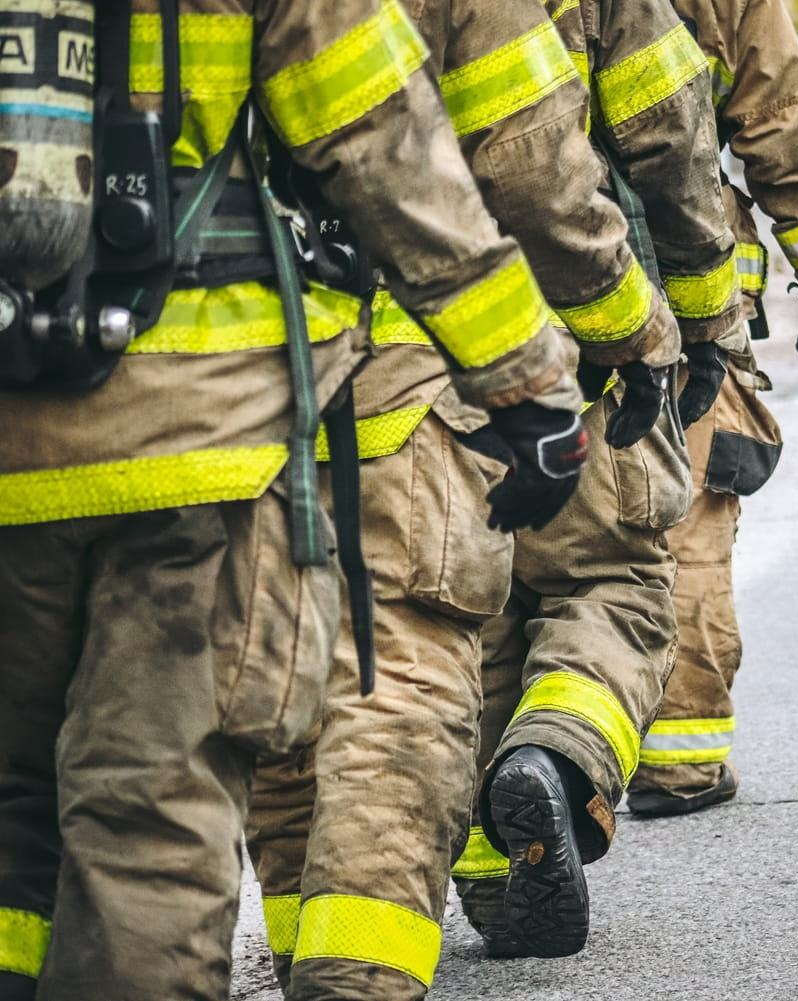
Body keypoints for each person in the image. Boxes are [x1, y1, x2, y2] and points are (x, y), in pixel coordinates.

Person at [0, 1, 581, 999]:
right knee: (149, 817)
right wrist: (523, 378)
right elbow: (382, 140)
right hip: (196, 449)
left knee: (13, 820)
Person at [243, 0, 719, 995]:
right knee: (580, 598)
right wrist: (667, 321)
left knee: (306, 657)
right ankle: (544, 767)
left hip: (236, 362)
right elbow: (624, 137)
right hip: (491, 335)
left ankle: (310, 930)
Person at [451, 0, 744, 961]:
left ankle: (496, 883)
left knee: (466, 620)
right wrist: (695, 321)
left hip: (404, 364)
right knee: (611, 585)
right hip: (576, 342)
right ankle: (554, 759)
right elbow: (669, 127)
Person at [627, 0, 798, 818]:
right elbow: (776, 118)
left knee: (540, 537)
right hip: (684, 287)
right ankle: (679, 758)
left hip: (510, 288)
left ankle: (544, 753)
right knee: (688, 518)